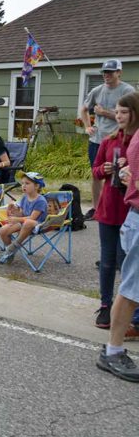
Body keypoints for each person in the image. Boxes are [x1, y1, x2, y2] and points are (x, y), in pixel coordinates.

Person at [96, 91, 139, 381]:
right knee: (121, 273)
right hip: (114, 211)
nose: (119, 116)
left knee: (129, 276)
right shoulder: (115, 141)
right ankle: (112, 346)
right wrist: (111, 171)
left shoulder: (133, 140)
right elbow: (97, 170)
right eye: (118, 111)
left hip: (128, 212)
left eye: (124, 111)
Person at [79, 59, 136, 221]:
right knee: (96, 174)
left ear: (119, 72)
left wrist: (104, 112)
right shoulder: (97, 90)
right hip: (97, 140)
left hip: (121, 140)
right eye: (104, 72)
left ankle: (124, 207)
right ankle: (96, 209)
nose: (106, 75)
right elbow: (84, 109)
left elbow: (131, 115)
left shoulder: (128, 91)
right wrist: (87, 126)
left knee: (122, 175)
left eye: (110, 72)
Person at [0, 172, 48, 264]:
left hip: (38, 224)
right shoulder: (25, 197)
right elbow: (22, 214)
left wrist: (17, 219)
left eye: (27, 183)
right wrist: (14, 210)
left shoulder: (40, 200)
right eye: (22, 183)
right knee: (3, 230)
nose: (23, 186)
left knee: (28, 222)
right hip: (24, 222)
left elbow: (32, 218)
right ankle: (10, 252)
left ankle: (14, 246)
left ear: (37, 186)